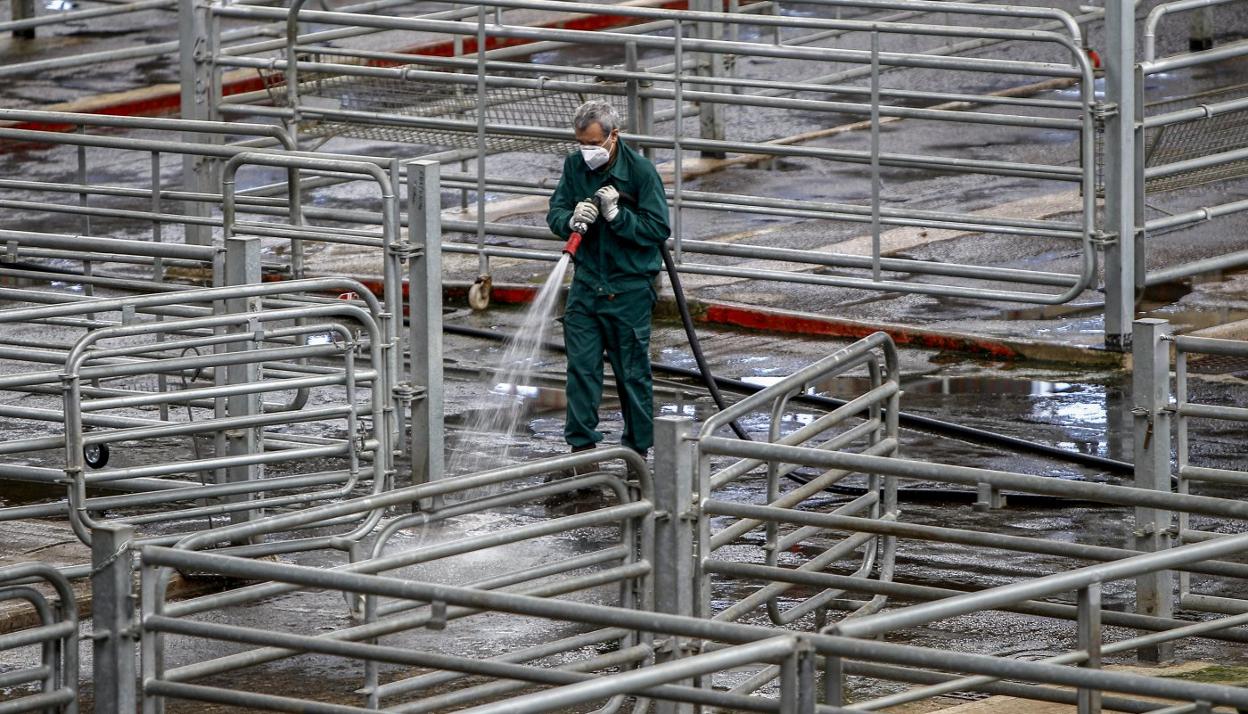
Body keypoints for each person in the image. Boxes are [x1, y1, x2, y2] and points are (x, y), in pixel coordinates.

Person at [546, 99, 671, 457]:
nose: (587, 152)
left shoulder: (641, 173)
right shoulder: (574, 167)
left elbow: (658, 228)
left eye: (594, 144)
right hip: (587, 284)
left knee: (632, 375)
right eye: (581, 143)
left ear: (614, 136)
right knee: (581, 370)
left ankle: (638, 451)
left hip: (629, 288)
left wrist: (617, 216)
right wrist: (569, 219)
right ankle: (581, 448)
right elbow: (555, 211)